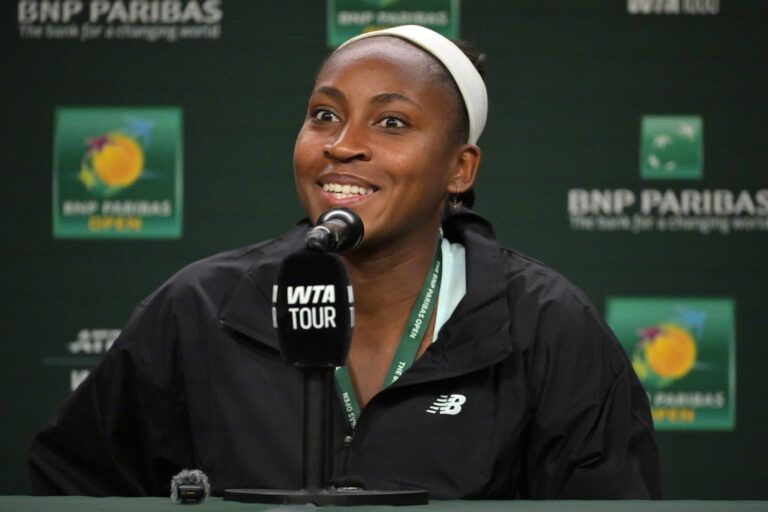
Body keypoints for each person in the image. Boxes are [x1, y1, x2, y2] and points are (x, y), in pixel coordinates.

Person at [29, 25, 661, 499]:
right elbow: (72, 488)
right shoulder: (201, 309)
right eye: (324, 115)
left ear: (459, 169)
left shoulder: (549, 329)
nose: (343, 145)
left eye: (391, 122)